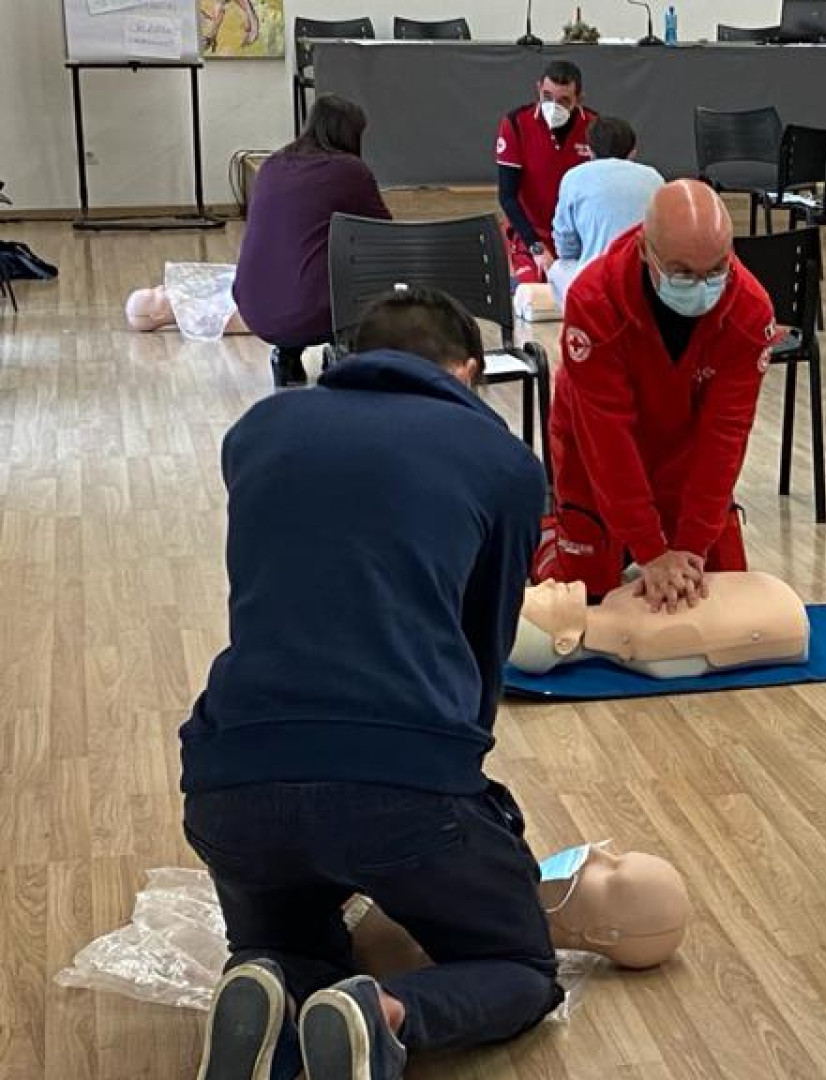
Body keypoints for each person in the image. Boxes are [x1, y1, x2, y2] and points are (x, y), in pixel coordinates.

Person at [181, 287, 555, 1080]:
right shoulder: (502, 461)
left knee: (285, 940)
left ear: (346, 362)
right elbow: (483, 646)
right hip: (401, 788)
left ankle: (268, 981)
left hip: (231, 782)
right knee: (523, 970)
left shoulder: (259, 430)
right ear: (471, 372)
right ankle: (383, 1013)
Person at [539, 179, 778, 609]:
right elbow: (606, 435)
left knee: (718, 602)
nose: (702, 285)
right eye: (683, 272)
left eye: (716, 270)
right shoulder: (595, 300)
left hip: (685, 457)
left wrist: (691, 545)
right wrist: (649, 548)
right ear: (646, 251)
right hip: (592, 458)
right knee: (580, 606)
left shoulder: (749, 309)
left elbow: (726, 433)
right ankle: (546, 541)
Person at [231, 94, 389, 388]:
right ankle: (344, 347)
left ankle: (287, 354)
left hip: (254, 308)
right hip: (312, 312)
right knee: (369, 264)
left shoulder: (271, 165)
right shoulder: (350, 170)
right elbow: (383, 232)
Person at [497, 60, 598, 284]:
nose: (554, 106)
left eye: (564, 100)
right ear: (538, 89)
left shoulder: (594, 127)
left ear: (579, 100)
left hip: (579, 237)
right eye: (547, 96)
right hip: (531, 234)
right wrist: (536, 247)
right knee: (533, 295)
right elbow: (507, 196)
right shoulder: (515, 124)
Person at [547, 115, 665, 308]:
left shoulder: (574, 177)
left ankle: (577, 321)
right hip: (647, 286)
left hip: (597, 287)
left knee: (559, 268)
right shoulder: (654, 177)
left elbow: (565, 246)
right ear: (633, 151)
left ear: (589, 150)